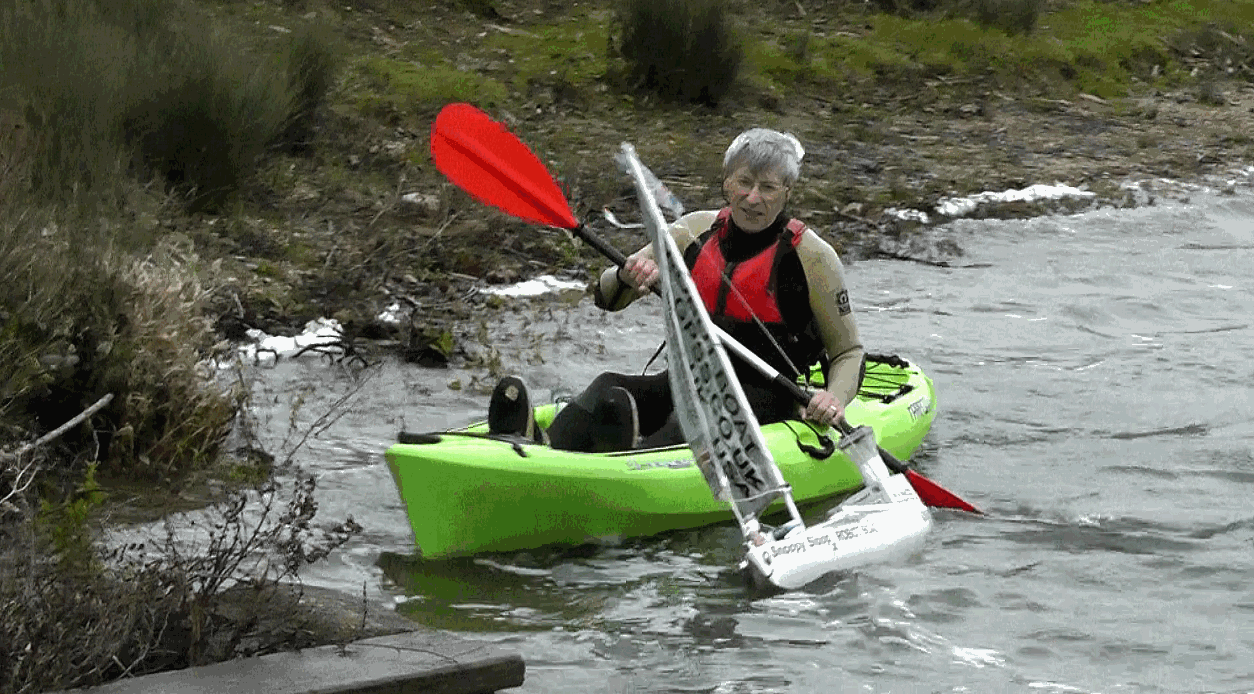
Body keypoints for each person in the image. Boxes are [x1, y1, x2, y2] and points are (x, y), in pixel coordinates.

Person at [488, 128, 865, 452]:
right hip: (690, 382)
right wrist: (626, 278)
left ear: (786, 192)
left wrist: (833, 398)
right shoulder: (693, 231)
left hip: (766, 399)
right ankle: (540, 446)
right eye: (745, 183)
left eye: (767, 187)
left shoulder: (813, 257)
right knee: (608, 387)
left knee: (688, 424)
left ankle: (620, 459)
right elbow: (605, 297)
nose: (753, 198)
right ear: (727, 183)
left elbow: (848, 351)